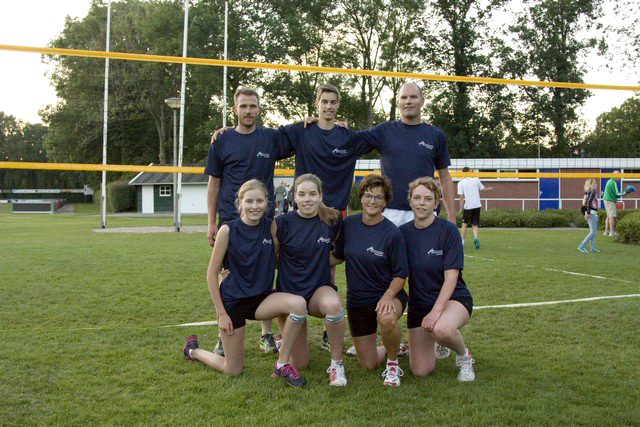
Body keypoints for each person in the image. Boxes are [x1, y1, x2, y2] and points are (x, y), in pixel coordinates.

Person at [182, 180, 308, 387]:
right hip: (233, 302)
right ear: (240, 203)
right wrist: (221, 314)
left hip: (261, 300)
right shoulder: (227, 230)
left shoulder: (270, 227)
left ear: (267, 202)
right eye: (249, 201)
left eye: (260, 201)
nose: (255, 206)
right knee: (232, 370)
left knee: (299, 304)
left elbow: (276, 258)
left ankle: (282, 363)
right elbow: (211, 273)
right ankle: (192, 350)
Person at [205, 87, 293, 356]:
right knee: (228, 274)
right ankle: (223, 332)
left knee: (264, 271)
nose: (248, 111)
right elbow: (214, 183)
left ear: (259, 108)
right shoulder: (222, 140)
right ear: (234, 109)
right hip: (231, 218)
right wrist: (211, 222)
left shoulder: (270, 138)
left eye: (252, 106)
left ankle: (266, 335)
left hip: (263, 217)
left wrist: (318, 120)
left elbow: (302, 134)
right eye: (243, 106)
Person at [331, 175, 409, 387]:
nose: (372, 201)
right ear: (361, 198)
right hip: (358, 300)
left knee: (386, 317)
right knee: (368, 364)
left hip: (388, 294)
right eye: (368, 195)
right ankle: (394, 346)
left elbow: (400, 276)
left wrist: (388, 296)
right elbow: (337, 256)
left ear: (385, 202)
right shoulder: (349, 224)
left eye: (378, 197)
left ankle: (392, 363)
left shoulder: (392, 233)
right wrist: (303, 258)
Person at [272, 173, 347, 386]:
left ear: (320, 195)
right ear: (294, 196)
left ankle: (336, 364)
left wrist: (319, 258)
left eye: (312, 194)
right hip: (289, 295)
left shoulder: (332, 220)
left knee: (333, 304)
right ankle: (284, 342)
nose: (307, 199)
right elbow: (271, 259)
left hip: (317, 290)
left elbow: (339, 254)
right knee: (300, 363)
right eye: (302, 194)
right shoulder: (281, 223)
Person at [400, 177, 476, 382]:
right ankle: (436, 342)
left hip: (453, 299)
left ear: (436, 203)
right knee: (420, 370)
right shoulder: (402, 233)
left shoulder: (448, 230)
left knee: (442, 329)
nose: (421, 203)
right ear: (410, 200)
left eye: (428, 199)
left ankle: (464, 357)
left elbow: (451, 277)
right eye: (417, 198)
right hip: (419, 304)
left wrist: (436, 311)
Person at [457, 167, 493, 249]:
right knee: (475, 224)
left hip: (468, 206)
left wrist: (461, 208)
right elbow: (483, 189)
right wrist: (489, 189)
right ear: (470, 172)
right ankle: (476, 238)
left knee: (464, 225)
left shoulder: (461, 183)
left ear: (462, 172)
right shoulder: (476, 180)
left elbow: (461, 197)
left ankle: (462, 242)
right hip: (477, 205)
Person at [578, 178, 600, 253]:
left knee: (593, 232)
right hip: (591, 213)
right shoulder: (592, 192)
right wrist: (588, 213)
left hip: (591, 213)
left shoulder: (588, 193)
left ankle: (592, 248)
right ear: (590, 185)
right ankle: (582, 246)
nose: (596, 184)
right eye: (594, 183)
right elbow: (587, 203)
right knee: (593, 232)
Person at [602, 171, 627, 237]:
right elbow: (617, 194)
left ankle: (606, 231)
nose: (619, 177)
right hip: (610, 201)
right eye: (619, 176)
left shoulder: (609, 181)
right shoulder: (613, 183)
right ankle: (611, 232)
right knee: (612, 216)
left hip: (606, 200)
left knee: (608, 216)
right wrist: (626, 192)